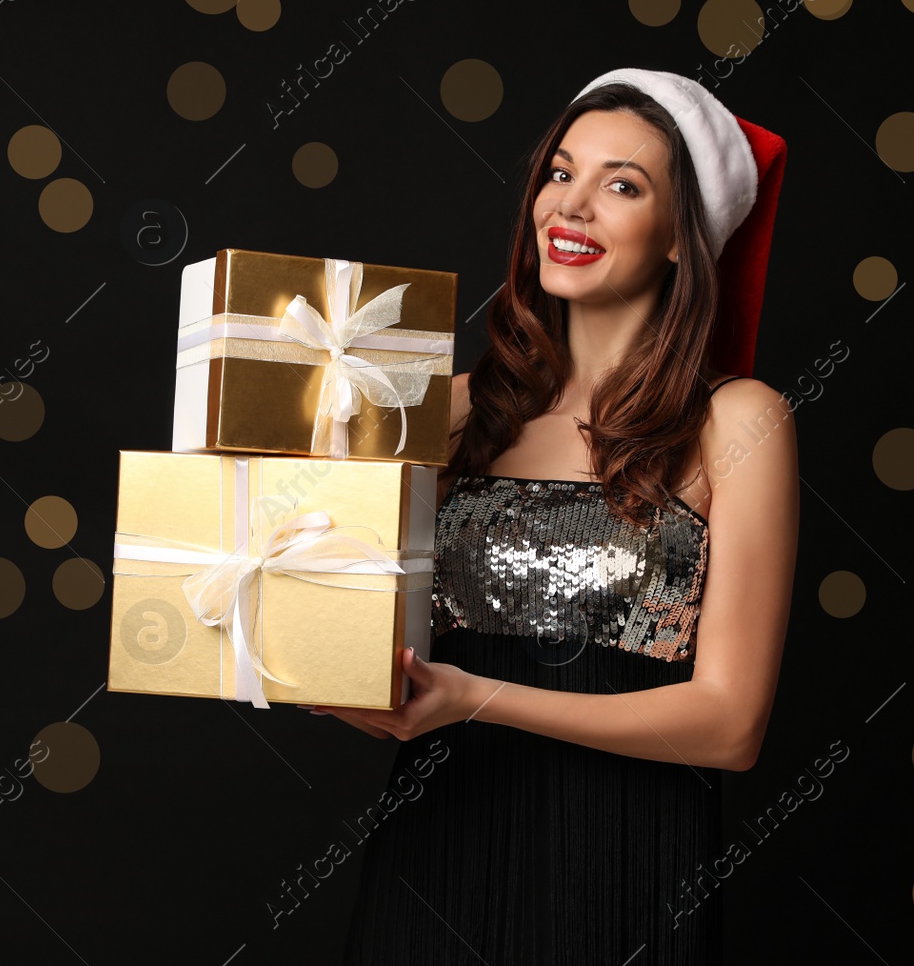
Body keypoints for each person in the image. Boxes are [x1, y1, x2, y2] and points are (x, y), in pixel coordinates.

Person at [318, 68, 799, 965]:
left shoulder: (739, 420)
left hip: (621, 863)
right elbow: (361, 636)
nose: (570, 208)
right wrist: (337, 678)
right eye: (559, 173)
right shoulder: (449, 409)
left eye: (622, 185)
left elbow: (732, 725)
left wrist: (479, 698)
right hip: (439, 844)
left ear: (679, 241)